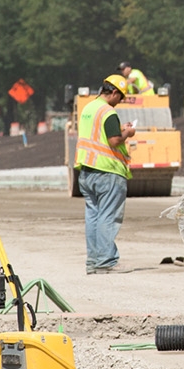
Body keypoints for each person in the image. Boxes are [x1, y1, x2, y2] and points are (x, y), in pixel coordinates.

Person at [74, 75, 136, 273]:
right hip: (107, 172)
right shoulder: (108, 112)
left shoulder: (89, 108)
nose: (120, 102)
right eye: (121, 97)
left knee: (93, 217)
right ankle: (106, 261)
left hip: (86, 171)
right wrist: (127, 133)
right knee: (108, 217)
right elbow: (114, 141)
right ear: (114, 92)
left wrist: (118, 130)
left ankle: (93, 262)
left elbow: (97, 135)